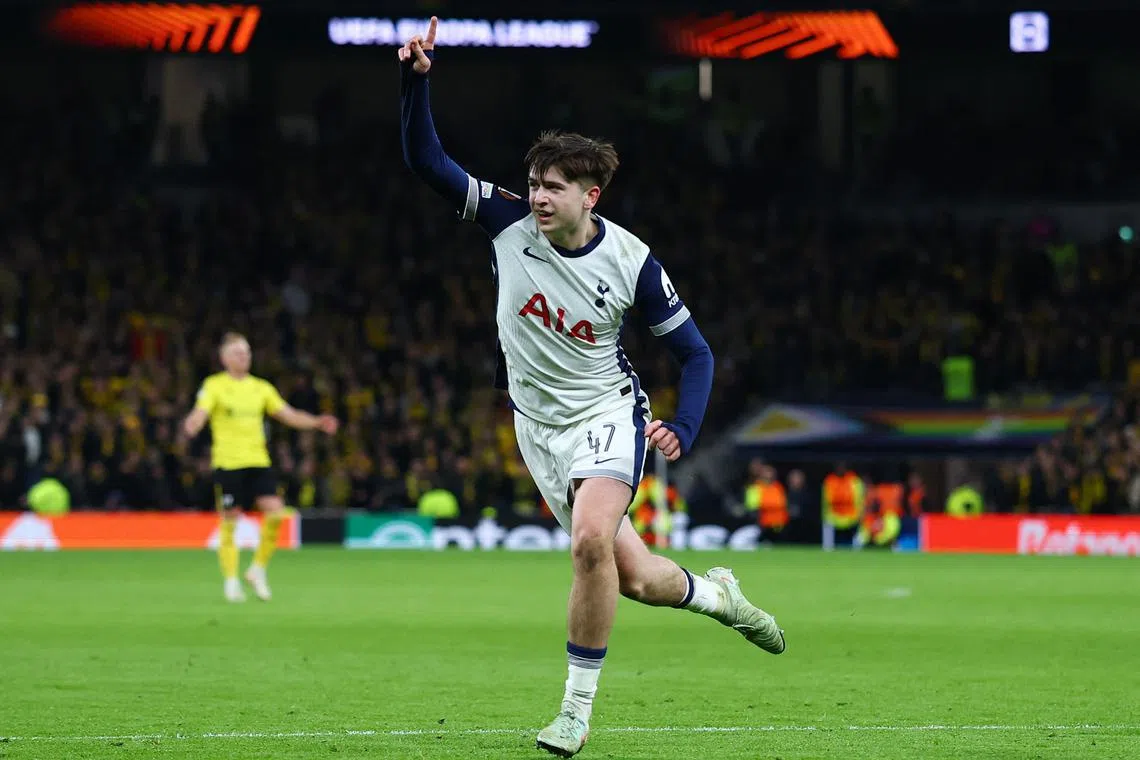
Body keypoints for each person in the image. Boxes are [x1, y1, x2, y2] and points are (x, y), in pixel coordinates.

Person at [398, 19, 784, 757]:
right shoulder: (507, 221)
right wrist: (415, 81)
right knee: (634, 577)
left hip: (607, 414)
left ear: (590, 195)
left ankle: (574, 712)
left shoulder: (632, 264)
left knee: (587, 544)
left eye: (553, 188)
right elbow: (427, 161)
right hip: (536, 427)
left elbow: (696, 355)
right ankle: (718, 596)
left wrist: (687, 426)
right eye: (535, 183)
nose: (537, 198)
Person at [183, 332, 338, 603]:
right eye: (238, 353)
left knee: (277, 514)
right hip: (229, 463)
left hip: (258, 462)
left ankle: (256, 570)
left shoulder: (261, 388)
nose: (245, 357)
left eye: (247, 352)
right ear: (224, 358)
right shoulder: (215, 385)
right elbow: (201, 410)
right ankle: (231, 581)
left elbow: (288, 414)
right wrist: (194, 422)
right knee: (229, 521)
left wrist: (316, 422)